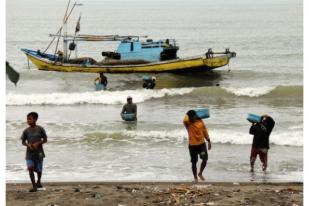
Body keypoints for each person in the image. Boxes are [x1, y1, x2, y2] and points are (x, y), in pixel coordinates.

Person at [21, 112, 48, 192]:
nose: (28, 121)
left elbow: (45, 140)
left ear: (35, 119)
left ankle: (38, 182)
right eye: (27, 119)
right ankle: (34, 186)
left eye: (30, 119)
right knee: (30, 168)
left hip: (39, 153)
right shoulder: (26, 131)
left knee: (39, 169)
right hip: (29, 153)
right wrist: (28, 145)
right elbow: (23, 142)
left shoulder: (40, 129)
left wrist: (38, 143)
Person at [183, 110, 211, 182]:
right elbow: (184, 119)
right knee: (194, 162)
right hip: (192, 146)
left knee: (205, 159)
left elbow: (205, 131)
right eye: (191, 117)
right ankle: (195, 178)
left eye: (194, 116)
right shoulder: (188, 123)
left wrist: (208, 141)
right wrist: (188, 114)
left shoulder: (200, 121)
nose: (193, 118)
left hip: (201, 145)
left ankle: (200, 173)